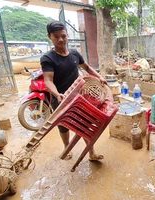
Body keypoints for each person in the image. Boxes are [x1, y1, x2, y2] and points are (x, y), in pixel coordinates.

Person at [40, 21, 107, 161]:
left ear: (67, 35)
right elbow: (48, 80)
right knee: (64, 126)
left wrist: (99, 77)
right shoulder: (48, 58)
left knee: (85, 125)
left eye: (63, 36)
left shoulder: (75, 54)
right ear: (49, 36)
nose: (61, 40)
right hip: (60, 99)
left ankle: (91, 153)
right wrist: (57, 94)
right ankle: (66, 146)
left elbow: (87, 68)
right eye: (56, 36)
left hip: (79, 98)